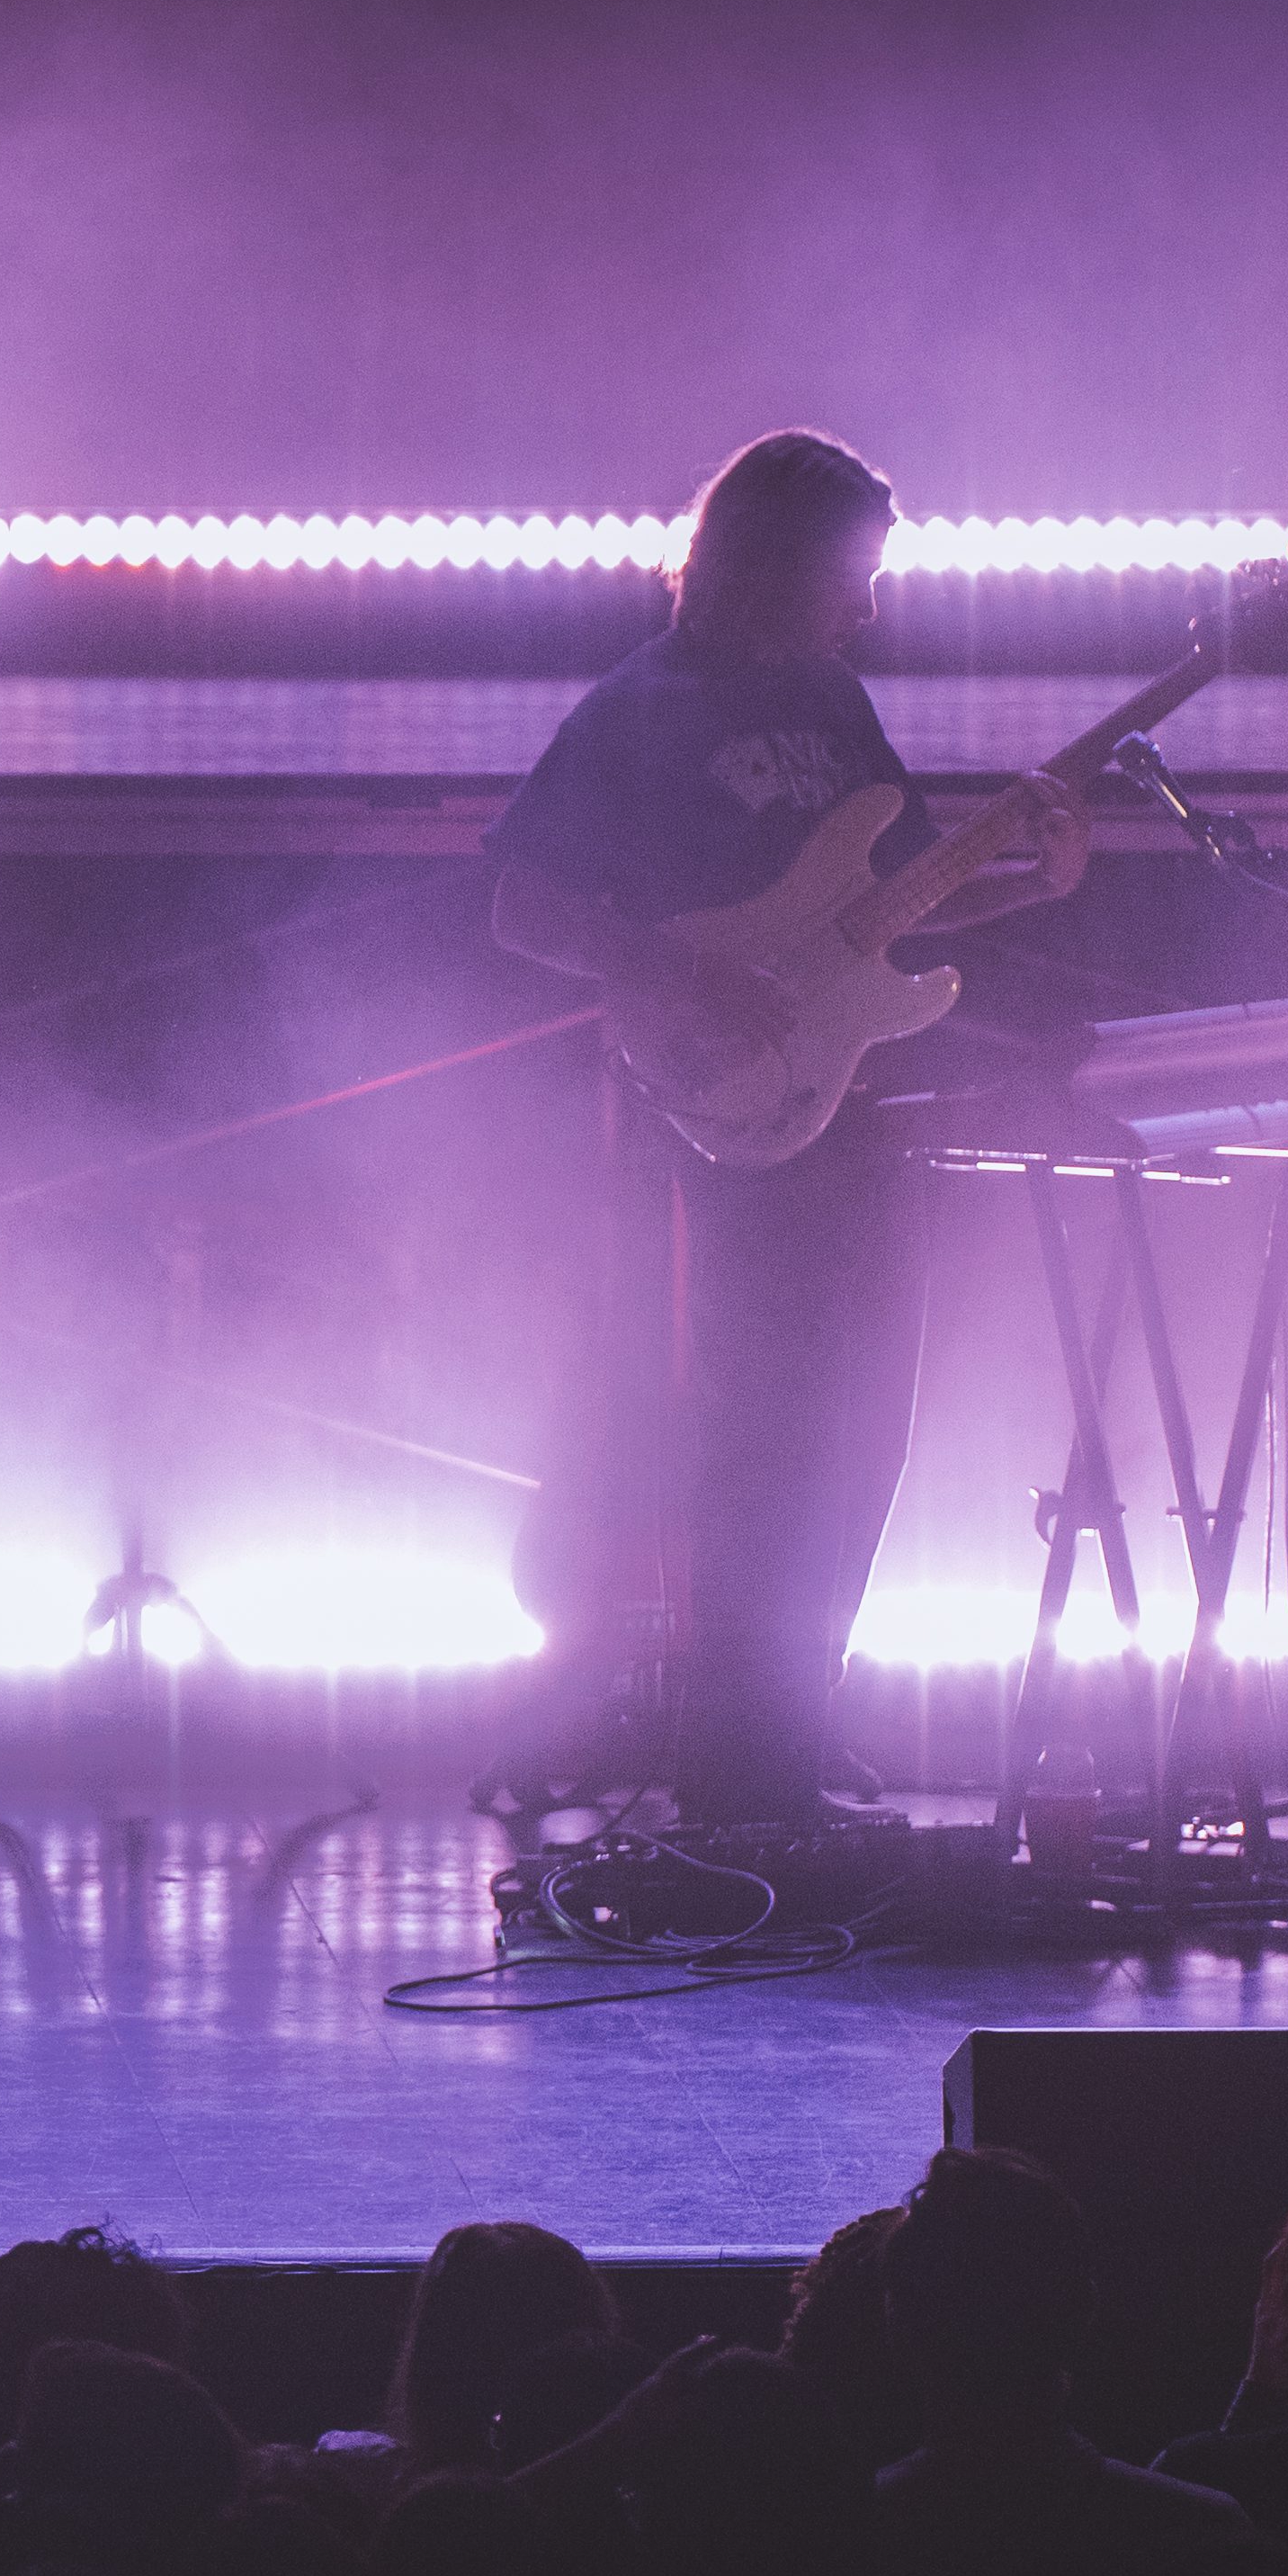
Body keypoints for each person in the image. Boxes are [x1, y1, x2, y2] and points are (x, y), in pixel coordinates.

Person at [487, 430, 1087, 1827]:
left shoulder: (832, 702)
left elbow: (887, 914)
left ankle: (788, 1741)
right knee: (761, 1441)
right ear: (776, 562)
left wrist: (1032, 884)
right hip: (715, 1121)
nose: (867, 608)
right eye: (851, 576)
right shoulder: (642, 709)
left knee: (860, 1431)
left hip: (851, 1106)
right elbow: (520, 904)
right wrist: (683, 973)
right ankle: (739, 1775)